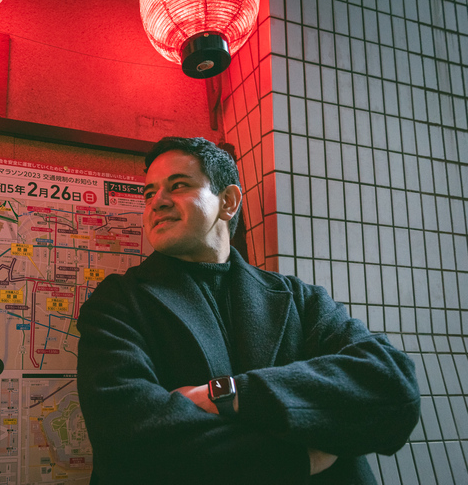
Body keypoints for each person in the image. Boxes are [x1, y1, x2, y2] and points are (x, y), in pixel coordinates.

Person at [76, 137, 421, 484]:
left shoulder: (298, 298)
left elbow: (392, 385)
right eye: (149, 193)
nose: (157, 202)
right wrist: (297, 457)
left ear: (228, 201)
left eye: (178, 185)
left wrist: (230, 395)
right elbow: (128, 432)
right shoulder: (117, 303)